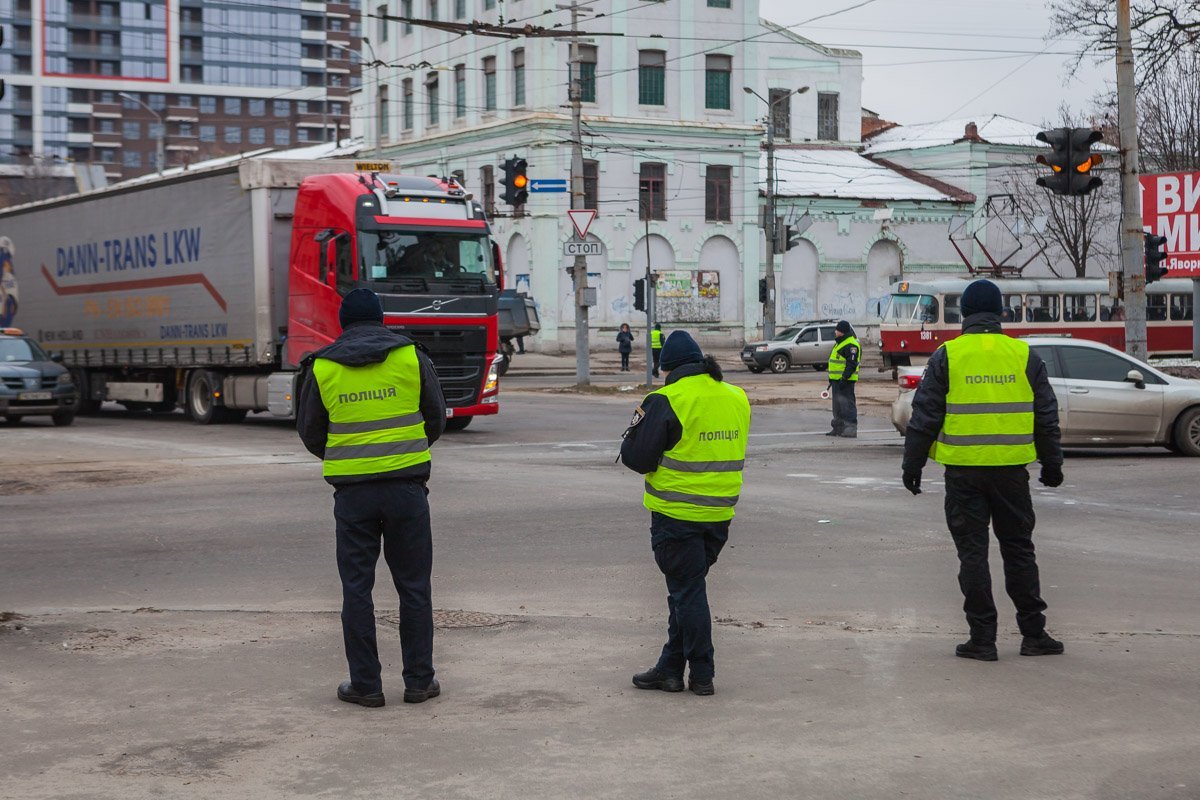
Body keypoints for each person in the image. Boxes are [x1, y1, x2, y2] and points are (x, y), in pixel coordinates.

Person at [296, 288, 448, 708]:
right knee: (414, 587)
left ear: (343, 322)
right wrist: (406, 454)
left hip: (353, 495)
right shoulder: (409, 356)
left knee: (357, 590)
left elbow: (310, 432)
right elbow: (435, 415)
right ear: (380, 318)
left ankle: (366, 685)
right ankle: (419, 681)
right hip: (407, 490)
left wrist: (349, 457)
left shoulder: (323, 366)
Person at [901, 278, 1065, 662]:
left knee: (972, 554)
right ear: (1001, 313)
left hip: (963, 474)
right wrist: (1052, 462)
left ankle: (983, 639)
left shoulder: (948, 356)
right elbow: (1046, 415)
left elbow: (924, 416)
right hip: (1011, 473)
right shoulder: (1024, 356)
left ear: (964, 315)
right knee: (1019, 550)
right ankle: (1034, 634)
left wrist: (913, 464)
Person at [620, 331, 751, 696]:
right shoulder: (736, 396)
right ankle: (670, 669)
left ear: (669, 369)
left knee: (688, 592)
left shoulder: (667, 399)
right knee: (685, 590)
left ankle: (703, 673)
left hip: (676, 515)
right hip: (720, 515)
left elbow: (636, 457)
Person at [825, 320, 860, 438]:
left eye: (837, 330)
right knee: (838, 406)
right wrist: (832, 379)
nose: (835, 332)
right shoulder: (840, 343)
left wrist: (844, 378)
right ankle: (838, 428)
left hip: (846, 381)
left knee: (847, 405)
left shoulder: (851, 344)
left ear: (843, 331)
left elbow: (851, 364)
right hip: (837, 381)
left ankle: (850, 429)